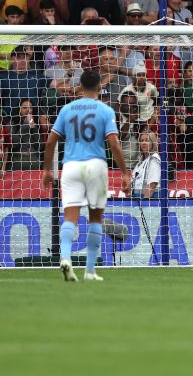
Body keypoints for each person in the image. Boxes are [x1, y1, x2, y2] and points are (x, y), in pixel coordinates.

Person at [42, 70, 131, 282]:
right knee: (95, 219)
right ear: (100, 87)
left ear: (79, 87)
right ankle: (90, 271)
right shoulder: (106, 110)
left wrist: (47, 170)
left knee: (69, 218)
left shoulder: (67, 109)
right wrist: (125, 172)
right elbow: (114, 144)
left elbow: (50, 142)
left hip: (70, 166)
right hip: (95, 165)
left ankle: (65, 258)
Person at [132, 131, 160, 198]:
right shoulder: (140, 161)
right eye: (142, 141)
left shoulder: (154, 160)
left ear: (153, 143)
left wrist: (144, 203)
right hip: (139, 201)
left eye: (147, 140)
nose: (144, 143)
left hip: (150, 203)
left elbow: (152, 185)